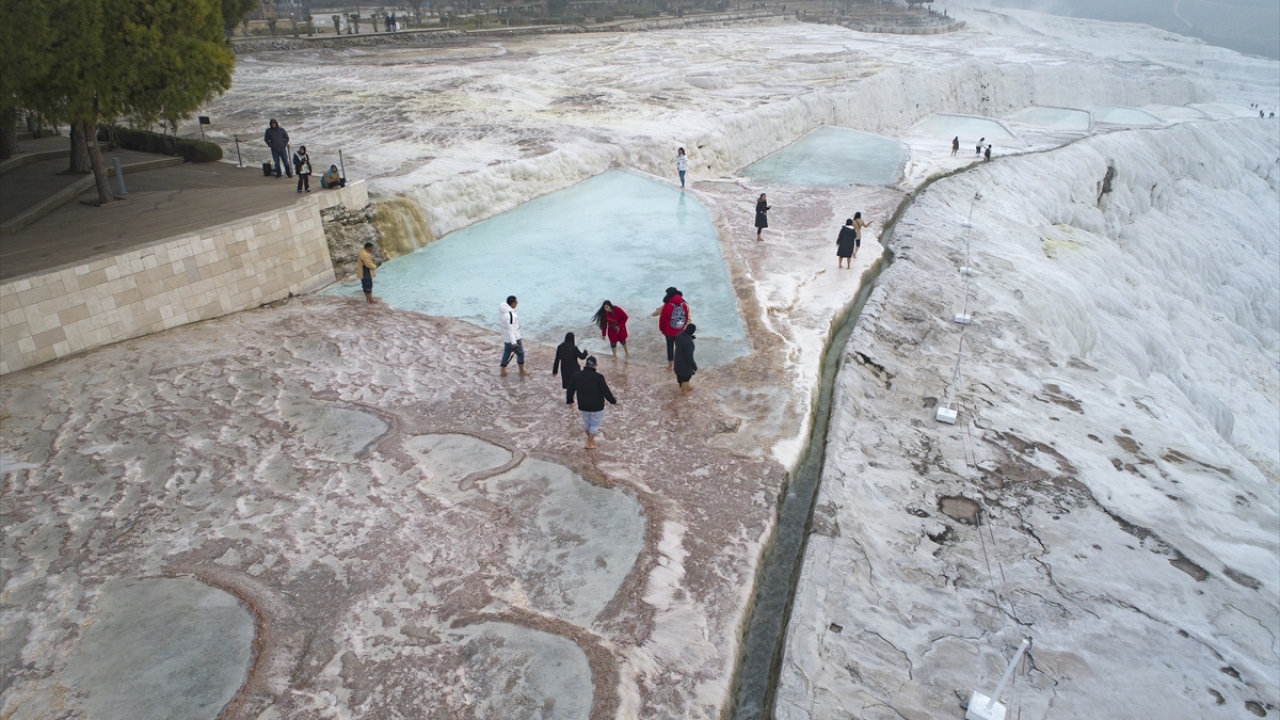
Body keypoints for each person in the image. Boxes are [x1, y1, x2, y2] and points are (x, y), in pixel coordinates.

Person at [566, 356, 616, 449]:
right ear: (595, 365)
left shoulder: (576, 375)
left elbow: (570, 389)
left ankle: (590, 439)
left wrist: (570, 400)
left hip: (583, 405)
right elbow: (605, 391)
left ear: (586, 365)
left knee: (587, 424)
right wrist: (612, 401)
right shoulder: (599, 377)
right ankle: (589, 443)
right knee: (595, 424)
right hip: (596, 406)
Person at [658, 287, 690, 371]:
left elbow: (662, 319)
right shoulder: (684, 304)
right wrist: (682, 327)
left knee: (670, 347)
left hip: (668, 331)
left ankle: (670, 365)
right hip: (680, 330)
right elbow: (686, 317)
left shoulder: (667, 305)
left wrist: (662, 329)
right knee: (679, 347)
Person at [498, 295, 531, 376]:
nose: (517, 303)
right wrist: (514, 343)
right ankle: (522, 370)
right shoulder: (510, 316)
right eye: (516, 302)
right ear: (512, 304)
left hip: (506, 337)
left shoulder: (502, 312)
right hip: (514, 338)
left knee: (507, 352)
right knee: (521, 353)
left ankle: (502, 370)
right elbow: (510, 330)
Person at [673, 323, 697, 394]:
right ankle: (684, 392)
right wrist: (693, 366)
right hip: (684, 364)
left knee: (681, 376)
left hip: (677, 360)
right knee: (685, 377)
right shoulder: (688, 342)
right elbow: (689, 356)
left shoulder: (679, 334)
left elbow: (682, 341)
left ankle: (687, 386)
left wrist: (690, 337)